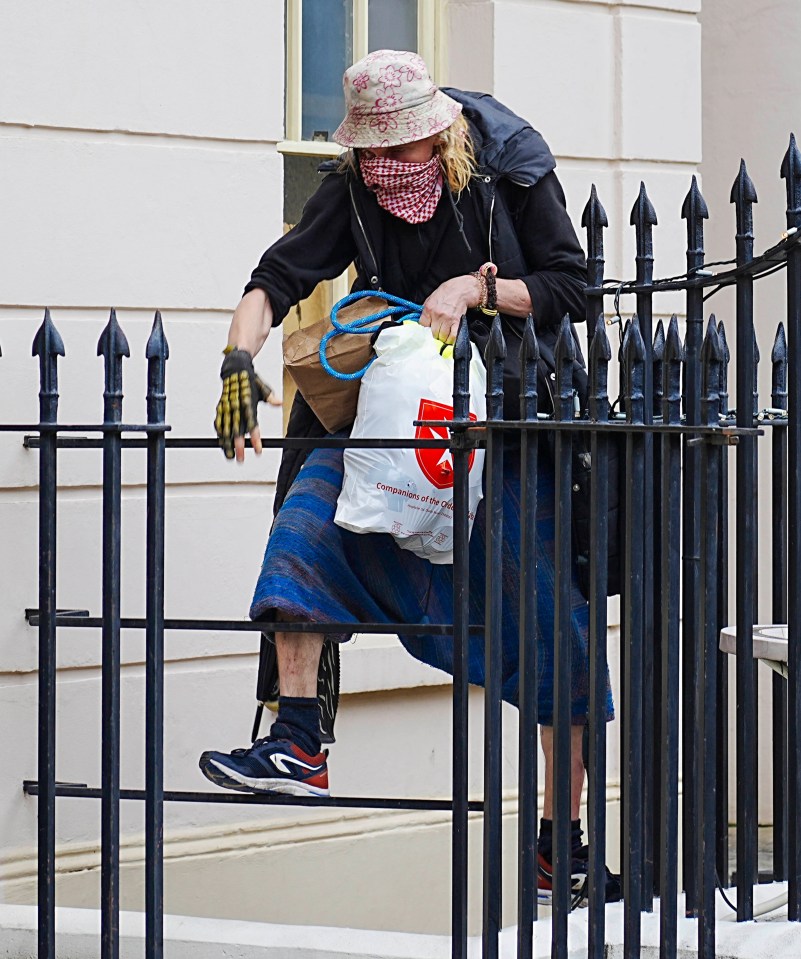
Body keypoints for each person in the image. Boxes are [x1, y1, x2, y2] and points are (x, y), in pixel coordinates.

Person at [200, 49, 618, 903]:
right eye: (371, 154)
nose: (386, 169)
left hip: (502, 418)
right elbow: (277, 276)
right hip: (392, 411)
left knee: (555, 635)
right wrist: (235, 358)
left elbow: (573, 288)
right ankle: (298, 737)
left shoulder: (511, 167)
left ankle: (559, 843)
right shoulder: (354, 183)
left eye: (402, 150)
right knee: (305, 525)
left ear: (441, 136)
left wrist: (475, 286)